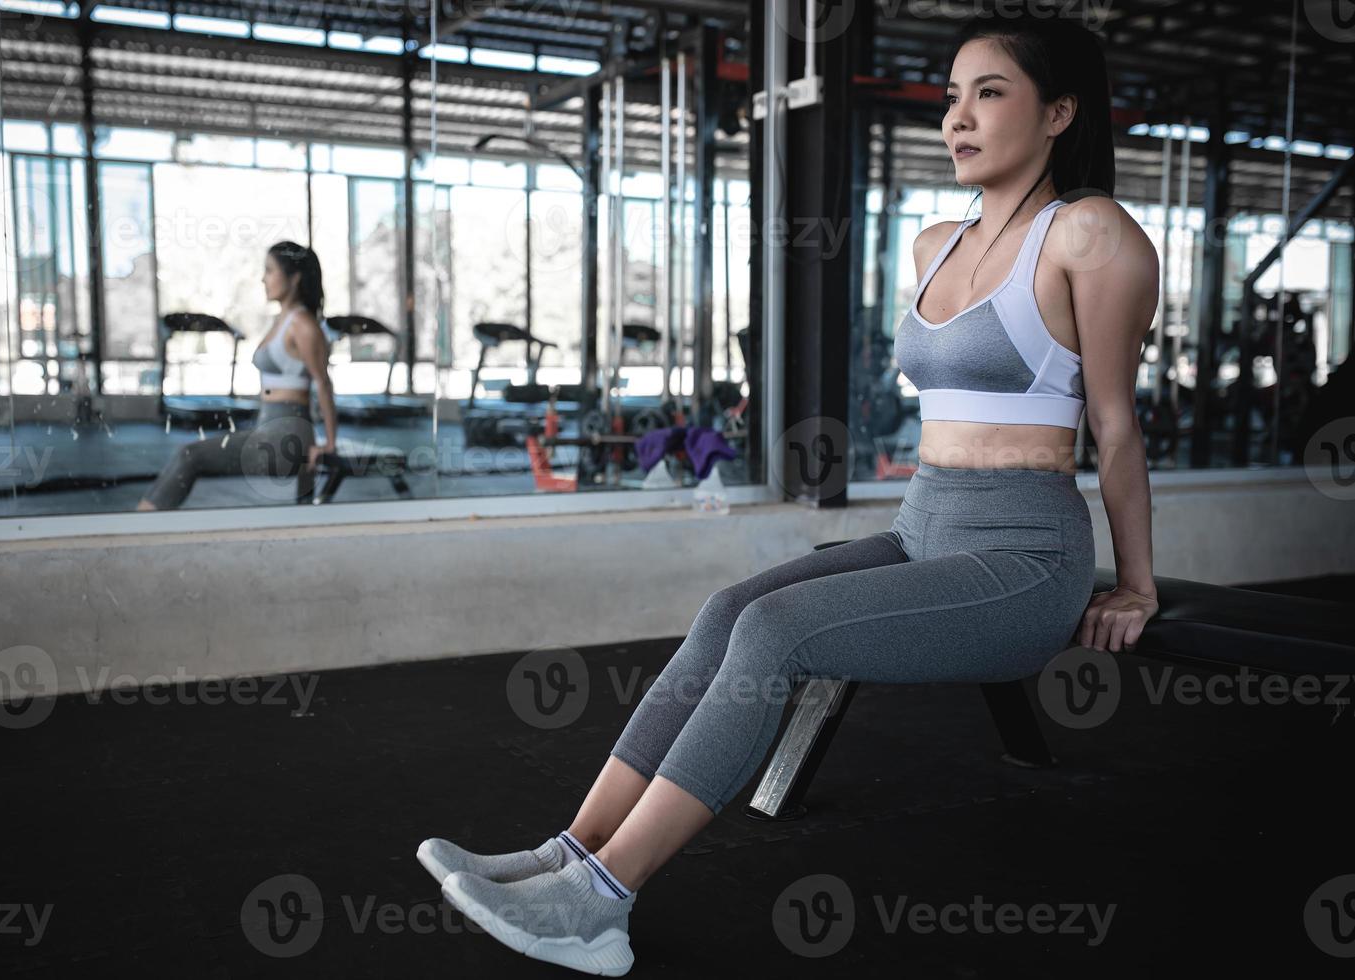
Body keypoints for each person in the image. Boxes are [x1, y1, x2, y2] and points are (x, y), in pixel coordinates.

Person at [420, 14, 1162, 976]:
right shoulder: (937, 241)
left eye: (989, 94)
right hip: (920, 524)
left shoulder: (1092, 235)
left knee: (780, 633)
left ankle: (603, 904)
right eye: (950, 97)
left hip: (1021, 556)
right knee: (729, 610)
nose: (957, 119)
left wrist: (1135, 583)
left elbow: (1114, 426)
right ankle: (572, 853)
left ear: (1058, 112)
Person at [137, 242, 337, 510]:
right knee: (189, 454)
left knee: (190, 455)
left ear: (294, 278)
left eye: (269, 271)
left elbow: (323, 383)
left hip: (284, 437)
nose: (262, 279)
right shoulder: (283, 321)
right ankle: (141, 524)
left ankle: (140, 524)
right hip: (269, 428)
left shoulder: (302, 325)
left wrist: (329, 444)